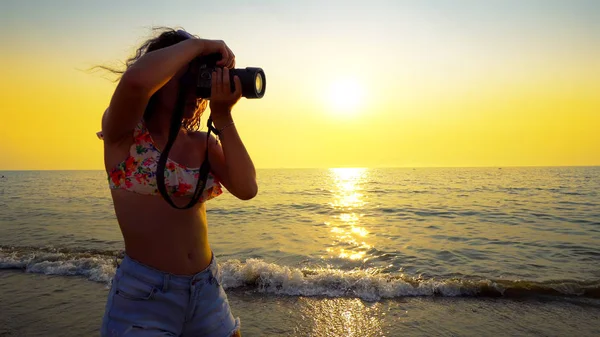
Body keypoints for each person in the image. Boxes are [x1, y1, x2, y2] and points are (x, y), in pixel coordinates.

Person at [98, 27, 257, 337]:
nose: (194, 89)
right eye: (186, 78)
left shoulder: (201, 143)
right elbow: (135, 82)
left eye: (200, 80)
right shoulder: (124, 135)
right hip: (144, 297)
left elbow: (247, 187)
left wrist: (223, 116)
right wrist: (199, 46)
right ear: (162, 77)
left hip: (207, 289)